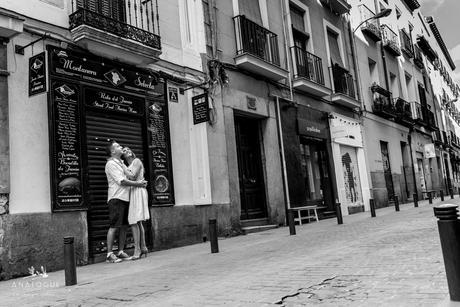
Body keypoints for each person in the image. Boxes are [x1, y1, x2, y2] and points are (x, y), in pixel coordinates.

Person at [105, 140, 147, 263]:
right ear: (113, 151)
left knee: (124, 226)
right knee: (114, 226)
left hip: (127, 197)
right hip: (116, 197)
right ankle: (109, 254)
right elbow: (122, 181)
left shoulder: (121, 162)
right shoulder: (111, 164)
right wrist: (138, 184)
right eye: (118, 146)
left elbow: (132, 174)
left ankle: (120, 251)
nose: (121, 147)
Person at [122, 147, 150, 260]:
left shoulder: (136, 161)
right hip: (134, 192)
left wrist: (121, 165)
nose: (127, 150)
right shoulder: (128, 165)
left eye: (128, 149)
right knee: (137, 222)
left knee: (134, 220)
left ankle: (137, 250)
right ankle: (143, 247)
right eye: (124, 150)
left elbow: (132, 176)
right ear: (123, 155)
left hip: (138, 192)